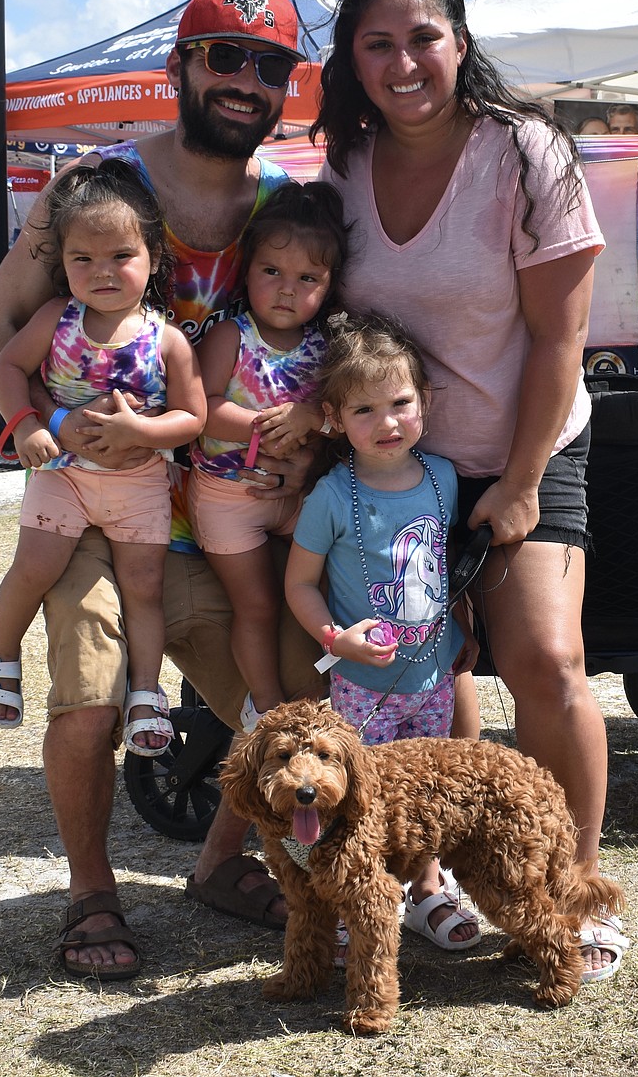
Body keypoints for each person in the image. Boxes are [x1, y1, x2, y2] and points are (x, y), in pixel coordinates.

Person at [0, 0, 324, 978]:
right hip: (95, 508)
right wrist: (40, 424)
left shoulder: (282, 208)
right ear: (181, 66)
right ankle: (92, 896)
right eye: (225, 57)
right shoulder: (94, 184)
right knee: (87, 701)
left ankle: (219, 864)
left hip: (218, 517)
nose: (245, 81)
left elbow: (330, 340)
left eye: (269, 66)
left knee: (283, 703)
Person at [310, 0, 628, 981]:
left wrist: (524, 480)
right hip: (405, 465)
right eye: (377, 44)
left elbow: (557, 341)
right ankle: (430, 880)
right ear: (353, 62)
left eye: (423, 38)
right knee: (414, 677)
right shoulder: (345, 168)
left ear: (460, 42)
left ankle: (572, 893)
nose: (404, 62)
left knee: (544, 661)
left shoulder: (525, 151)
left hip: (530, 446)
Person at [0, 157, 206, 759]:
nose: (102, 272)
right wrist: (29, 422)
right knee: (36, 567)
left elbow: (193, 417)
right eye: (83, 259)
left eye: (120, 256)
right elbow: (7, 368)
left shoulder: (168, 339)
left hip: (140, 486)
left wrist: (142, 429)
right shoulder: (57, 318)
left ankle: (147, 694)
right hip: (65, 476)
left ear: (152, 255)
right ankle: (0, 650)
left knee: (144, 589)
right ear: (63, 265)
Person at [286, 311, 481, 949]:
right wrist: (333, 638)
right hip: (360, 687)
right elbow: (300, 584)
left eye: (400, 403)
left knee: (423, 792)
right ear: (335, 418)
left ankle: (426, 887)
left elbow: (444, 564)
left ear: (424, 401)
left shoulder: (444, 478)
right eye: (364, 410)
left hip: (432, 674)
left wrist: (463, 623)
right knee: (357, 796)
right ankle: (356, 902)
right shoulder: (331, 498)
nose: (387, 422)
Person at [188, 181, 348, 728]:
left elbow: (343, 417)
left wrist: (313, 419)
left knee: (337, 576)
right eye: (271, 272)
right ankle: (266, 704)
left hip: (298, 496)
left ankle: (340, 674)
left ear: (328, 287)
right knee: (255, 605)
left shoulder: (327, 347)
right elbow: (201, 408)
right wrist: (263, 424)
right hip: (226, 497)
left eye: (308, 278)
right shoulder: (230, 336)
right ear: (246, 269)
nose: (286, 290)